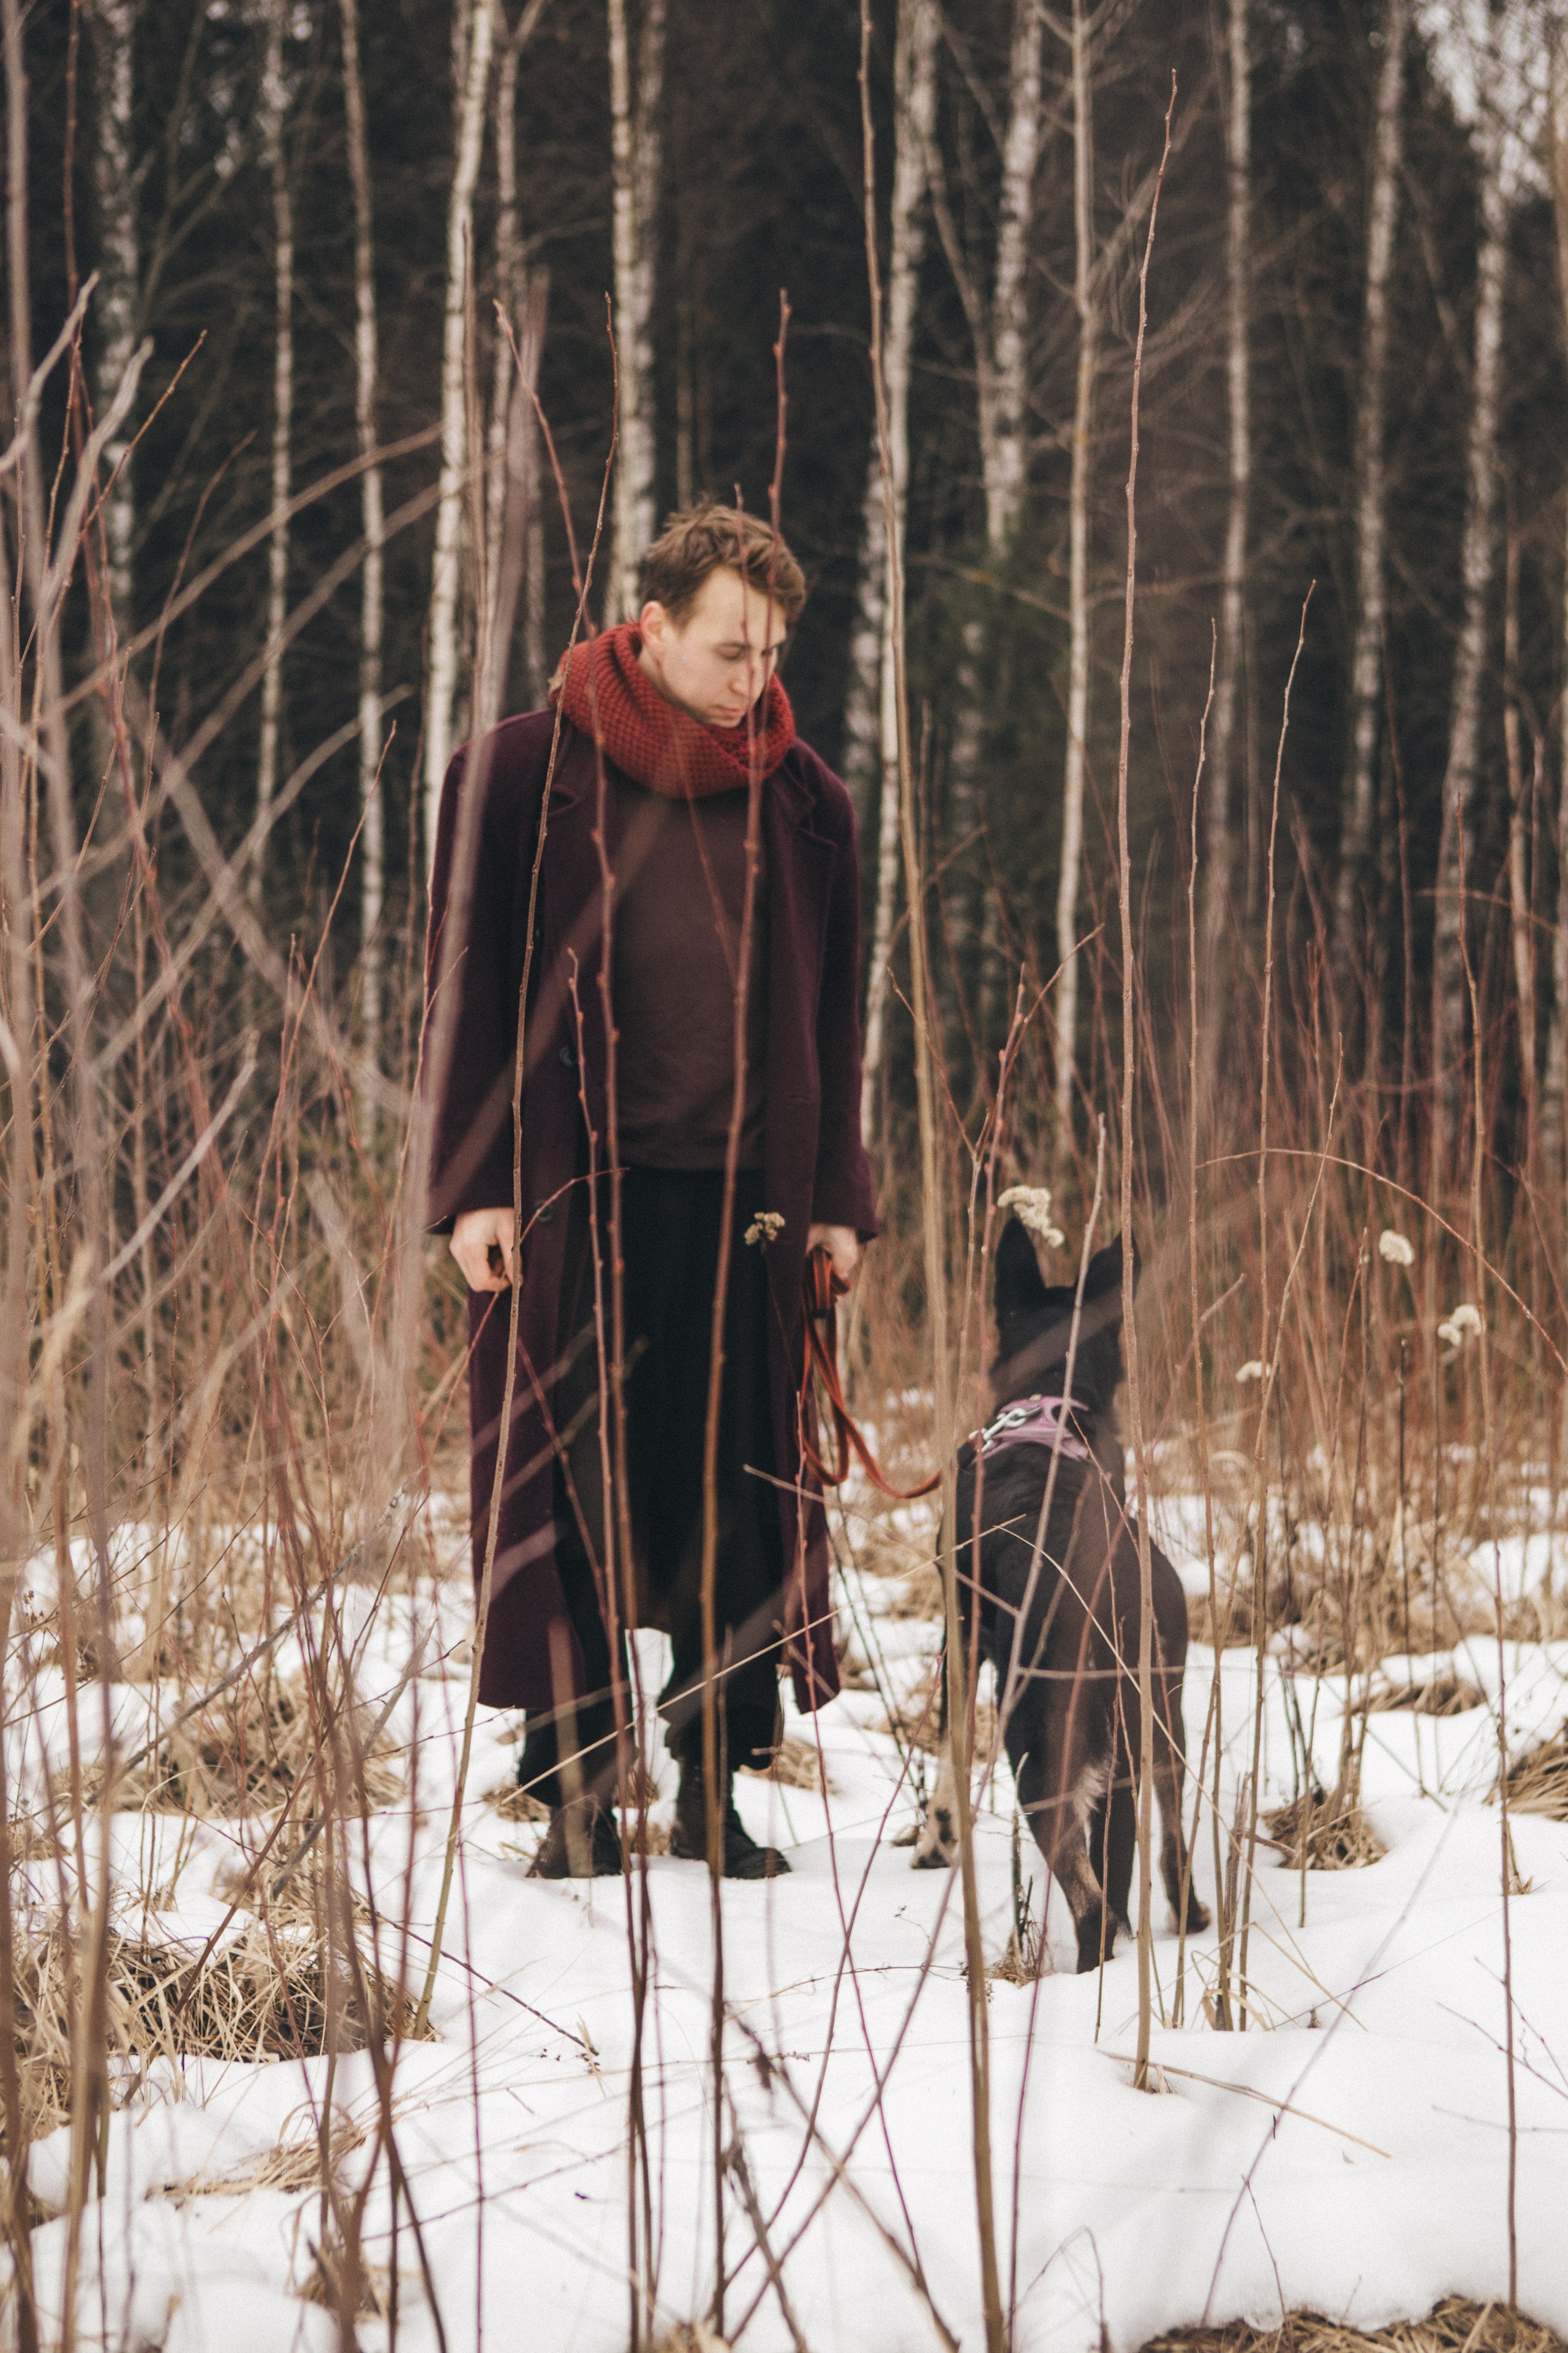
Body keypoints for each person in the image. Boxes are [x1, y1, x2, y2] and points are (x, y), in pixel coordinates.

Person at [423, 502, 876, 1878]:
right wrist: (470, 1188)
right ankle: (572, 1795)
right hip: (571, 1198)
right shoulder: (519, 770)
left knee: (729, 1496)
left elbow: (834, 1016)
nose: (755, 677)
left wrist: (838, 1199)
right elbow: (458, 990)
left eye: (773, 651)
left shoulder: (805, 799)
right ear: (656, 624)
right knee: (566, 1489)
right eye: (731, 648)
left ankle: (709, 1790)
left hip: (744, 1206)